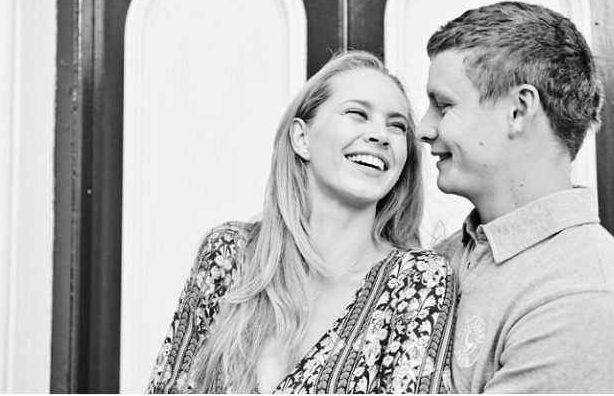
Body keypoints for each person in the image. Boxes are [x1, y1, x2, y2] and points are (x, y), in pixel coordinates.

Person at [147, 50, 457, 394]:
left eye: (396, 126)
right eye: (357, 114)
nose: (380, 135)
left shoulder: (417, 279)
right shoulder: (229, 255)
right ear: (301, 138)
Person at [417, 1, 614, 393]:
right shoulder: (446, 255)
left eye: (443, 106)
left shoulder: (582, 300)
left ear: (518, 110)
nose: (423, 129)